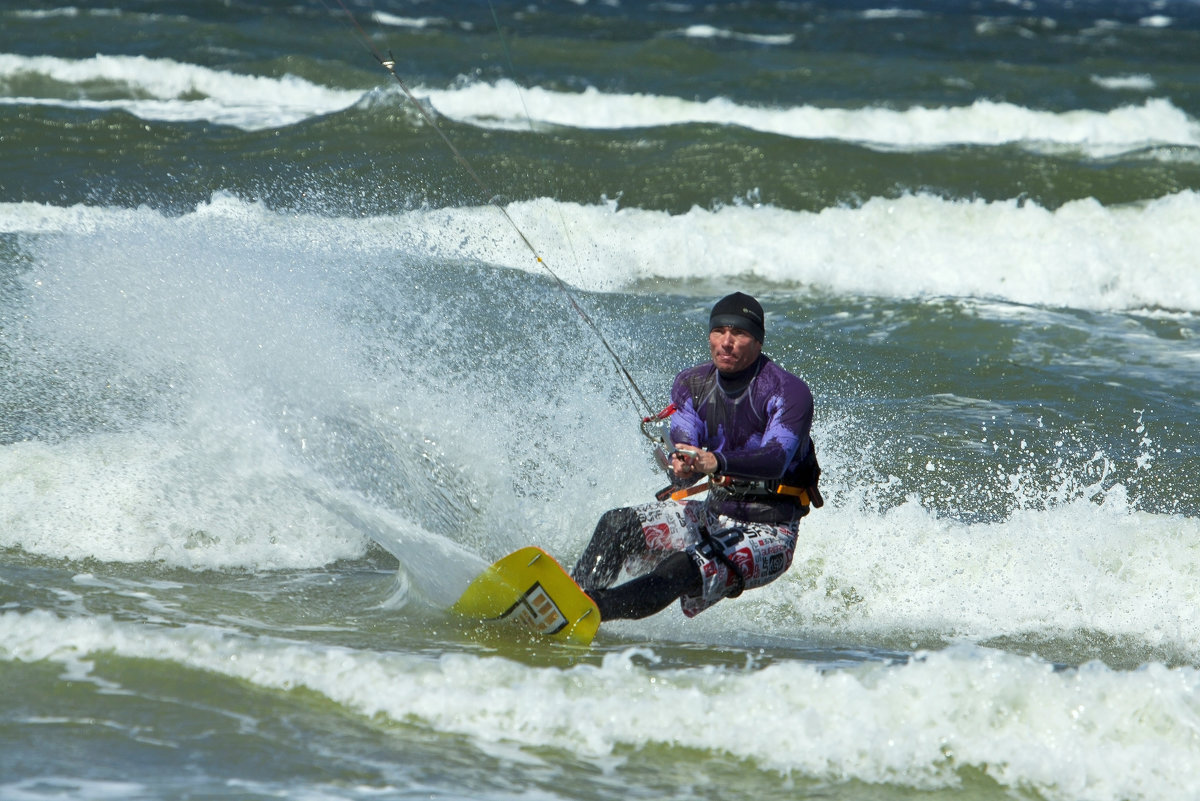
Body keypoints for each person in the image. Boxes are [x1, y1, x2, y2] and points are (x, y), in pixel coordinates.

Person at [572, 291, 820, 621]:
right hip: (711, 513)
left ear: (758, 341)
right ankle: (570, 596)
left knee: (681, 568)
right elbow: (687, 443)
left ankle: (590, 611)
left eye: (740, 333)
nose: (727, 342)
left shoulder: (788, 392)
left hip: (770, 531)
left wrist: (715, 461)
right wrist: (683, 466)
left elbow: (775, 459)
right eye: (719, 331)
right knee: (617, 525)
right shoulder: (692, 383)